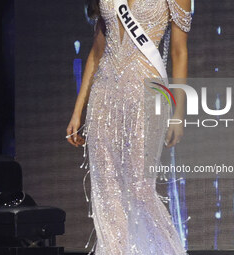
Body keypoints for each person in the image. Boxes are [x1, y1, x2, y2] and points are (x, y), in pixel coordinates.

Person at [67, 0, 192, 254]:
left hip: (147, 95)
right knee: (107, 191)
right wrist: (77, 110)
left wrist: (179, 113)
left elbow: (180, 52)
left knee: (140, 188)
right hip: (104, 97)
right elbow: (97, 52)